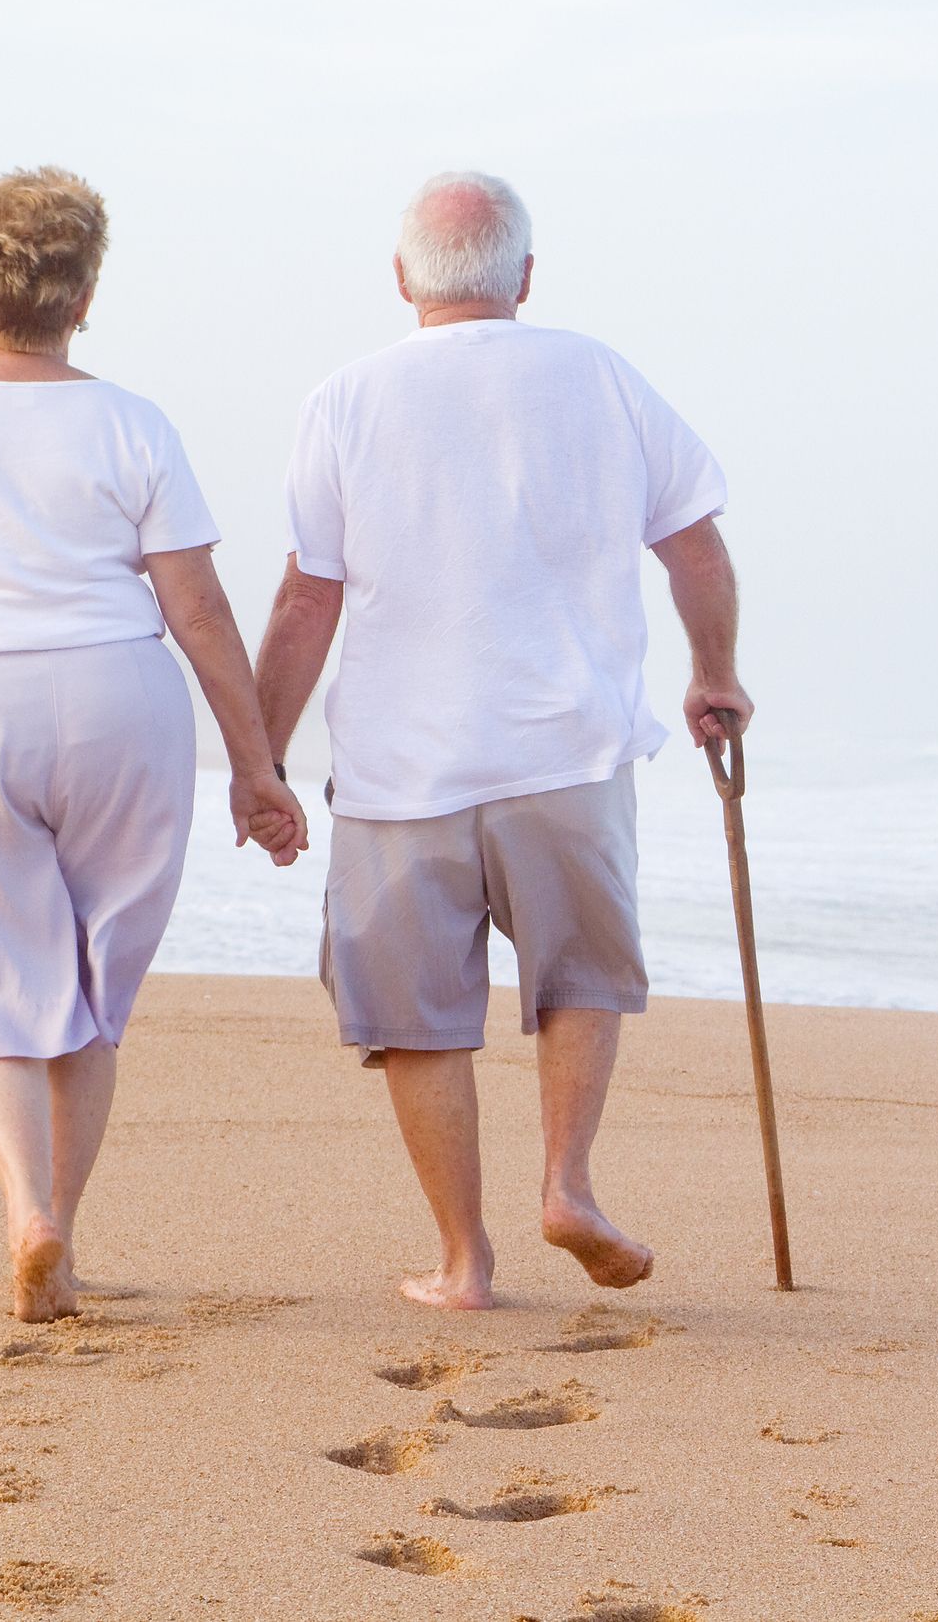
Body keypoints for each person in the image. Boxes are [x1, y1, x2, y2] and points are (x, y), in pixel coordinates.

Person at [0, 165, 307, 1323]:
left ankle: (27, 1211)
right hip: (118, 706)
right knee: (89, 990)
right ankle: (64, 1241)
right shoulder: (131, 422)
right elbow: (199, 610)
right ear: (83, 294)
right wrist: (255, 763)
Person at [253, 170, 748, 1311]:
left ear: (400, 280)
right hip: (566, 751)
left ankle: (463, 1260)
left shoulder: (345, 398)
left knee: (420, 1013)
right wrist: (713, 673)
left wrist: (261, 760)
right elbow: (698, 551)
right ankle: (568, 1185)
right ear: (525, 275)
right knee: (577, 976)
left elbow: (304, 602)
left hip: (399, 772)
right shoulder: (601, 375)